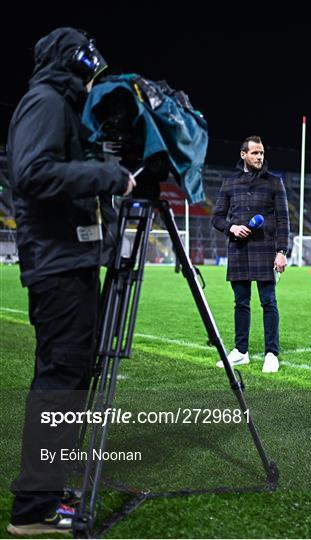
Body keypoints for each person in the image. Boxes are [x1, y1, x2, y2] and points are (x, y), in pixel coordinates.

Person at [7, 28, 136, 536]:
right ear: (72, 62)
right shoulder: (43, 102)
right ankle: (33, 509)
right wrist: (106, 176)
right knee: (61, 380)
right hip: (57, 266)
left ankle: (48, 488)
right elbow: (33, 173)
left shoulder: (57, 104)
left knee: (71, 378)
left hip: (69, 262)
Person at [212, 136, 289, 373]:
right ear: (243, 155)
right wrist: (231, 227)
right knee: (241, 303)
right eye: (255, 153)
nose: (259, 157)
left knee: (269, 302)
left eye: (262, 153)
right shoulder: (229, 183)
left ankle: (271, 353)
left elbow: (283, 219)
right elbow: (216, 217)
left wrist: (281, 251)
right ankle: (241, 351)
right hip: (238, 250)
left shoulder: (275, 182)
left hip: (265, 250)